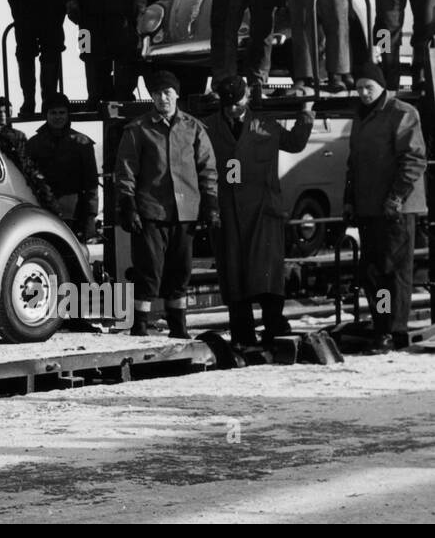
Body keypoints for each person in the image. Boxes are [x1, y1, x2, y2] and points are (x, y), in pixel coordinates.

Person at [202, 75, 313, 349]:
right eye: (229, 105)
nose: (234, 110)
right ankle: (243, 335)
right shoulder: (209, 128)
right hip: (228, 213)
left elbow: (296, 142)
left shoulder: (266, 126)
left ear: (247, 99)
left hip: (263, 212)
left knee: (267, 274)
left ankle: (274, 326)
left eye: (238, 104)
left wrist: (307, 112)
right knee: (234, 275)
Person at [114, 70, 219, 338]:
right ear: (151, 97)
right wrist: (128, 204)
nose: (163, 98)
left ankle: (178, 327)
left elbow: (208, 169)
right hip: (151, 212)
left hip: (185, 213)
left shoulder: (194, 128)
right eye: (158, 93)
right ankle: (139, 326)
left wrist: (211, 203)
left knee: (180, 272)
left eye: (168, 93)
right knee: (148, 272)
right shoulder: (138, 130)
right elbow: (126, 170)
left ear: (177, 94)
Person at [343, 62, 427, 353]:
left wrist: (396, 197)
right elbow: (353, 163)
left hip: (395, 209)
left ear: (382, 87)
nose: (364, 93)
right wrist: (349, 199)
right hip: (370, 207)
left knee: (392, 271)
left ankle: (392, 330)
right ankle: (383, 326)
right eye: (360, 88)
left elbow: (413, 159)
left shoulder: (402, 113)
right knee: (373, 271)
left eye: (370, 87)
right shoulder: (362, 117)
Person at [27, 92, 98, 241]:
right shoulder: (33, 144)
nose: (58, 117)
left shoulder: (82, 143)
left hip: (74, 215)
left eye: (62, 112)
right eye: (53, 113)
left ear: (68, 114)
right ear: (45, 114)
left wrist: (91, 217)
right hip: (43, 212)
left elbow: (91, 184)